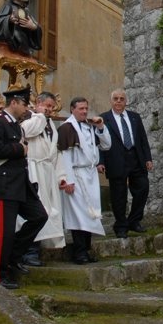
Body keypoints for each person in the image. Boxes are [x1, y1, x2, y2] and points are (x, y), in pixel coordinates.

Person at [0, 86, 48, 289]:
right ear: (14, 103)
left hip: (20, 183)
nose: (26, 108)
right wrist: (18, 148)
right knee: (5, 231)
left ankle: (12, 256)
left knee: (39, 216)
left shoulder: (17, 127)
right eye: (23, 104)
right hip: (3, 184)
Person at [57, 96, 111, 264]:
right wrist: (68, 180)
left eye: (86, 108)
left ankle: (86, 250)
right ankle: (79, 252)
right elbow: (65, 157)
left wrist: (101, 126)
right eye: (81, 109)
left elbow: (106, 145)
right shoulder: (67, 128)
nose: (84, 111)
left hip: (90, 175)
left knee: (90, 214)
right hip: (76, 174)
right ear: (73, 109)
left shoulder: (89, 127)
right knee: (78, 215)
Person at [99, 89, 154, 238]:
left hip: (136, 158)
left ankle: (134, 221)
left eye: (121, 99)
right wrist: (100, 162)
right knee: (118, 195)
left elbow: (143, 139)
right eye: (115, 98)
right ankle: (121, 225)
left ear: (125, 101)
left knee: (143, 188)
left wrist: (148, 159)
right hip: (115, 159)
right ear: (111, 101)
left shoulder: (135, 117)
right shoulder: (104, 118)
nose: (118, 101)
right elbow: (99, 142)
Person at [19, 91, 66, 263]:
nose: (49, 110)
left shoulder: (50, 126)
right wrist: (39, 116)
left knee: (48, 210)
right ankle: (28, 250)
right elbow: (26, 132)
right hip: (32, 169)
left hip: (46, 171)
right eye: (47, 106)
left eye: (52, 107)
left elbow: (55, 152)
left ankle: (36, 248)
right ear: (38, 103)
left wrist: (61, 176)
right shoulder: (29, 118)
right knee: (36, 209)